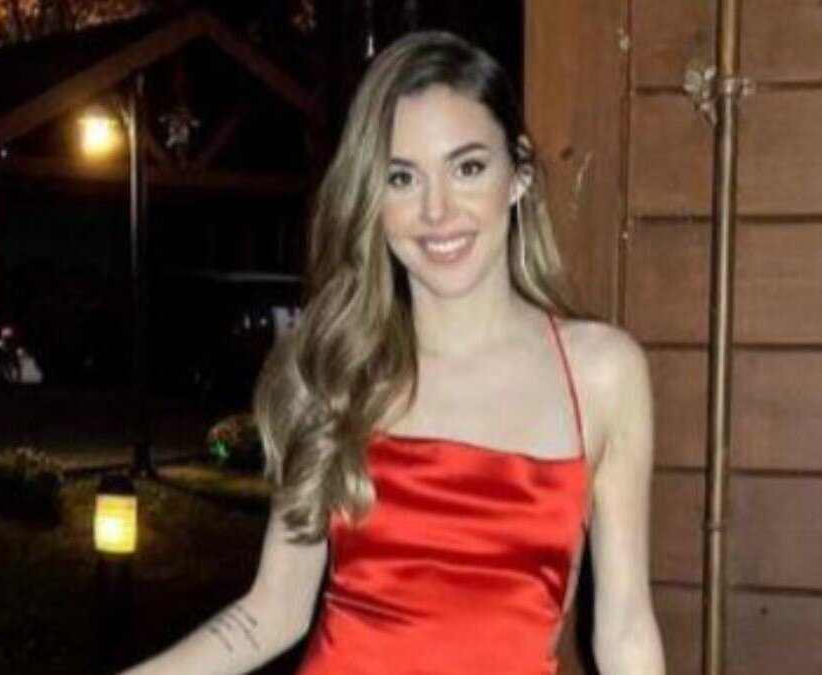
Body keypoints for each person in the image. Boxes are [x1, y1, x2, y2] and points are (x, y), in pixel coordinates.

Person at [122, 30, 664, 675]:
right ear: (370, 198)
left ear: (518, 174)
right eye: (401, 178)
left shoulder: (603, 373)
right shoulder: (339, 371)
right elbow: (271, 612)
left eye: (467, 168)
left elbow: (626, 628)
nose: (437, 210)